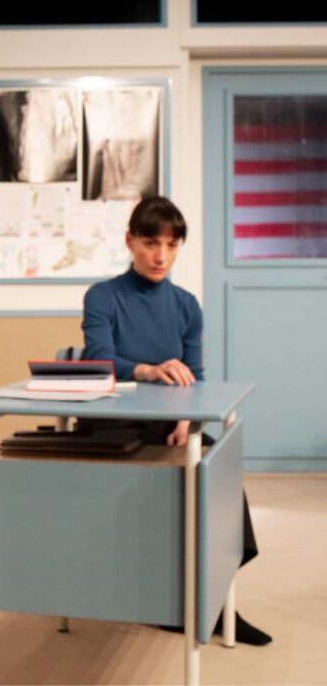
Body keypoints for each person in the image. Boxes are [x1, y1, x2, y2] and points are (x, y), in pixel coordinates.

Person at [79, 196, 271, 646]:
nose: (160, 256)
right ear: (130, 241)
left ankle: (216, 602)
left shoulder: (186, 305)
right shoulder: (103, 296)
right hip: (112, 424)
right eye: (150, 243)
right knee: (157, 488)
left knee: (218, 474)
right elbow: (98, 361)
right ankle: (172, 600)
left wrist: (189, 422)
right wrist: (146, 370)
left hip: (170, 424)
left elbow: (195, 379)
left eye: (171, 245)